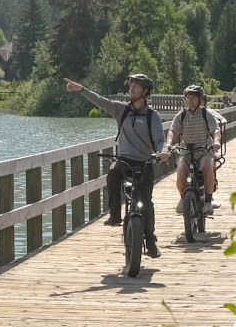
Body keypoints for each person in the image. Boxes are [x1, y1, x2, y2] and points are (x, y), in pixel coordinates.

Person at [64, 73, 165, 258]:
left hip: (144, 162)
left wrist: (162, 152)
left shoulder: (153, 116)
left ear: (145, 92)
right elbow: (101, 101)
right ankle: (115, 215)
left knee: (146, 204)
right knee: (112, 171)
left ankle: (150, 241)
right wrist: (82, 90)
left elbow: (160, 139)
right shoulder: (122, 110)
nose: (131, 89)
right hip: (125, 160)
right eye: (131, 85)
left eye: (135, 86)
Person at [161, 84, 219, 213]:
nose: (190, 100)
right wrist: (169, 144)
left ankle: (208, 201)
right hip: (187, 151)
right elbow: (172, 131)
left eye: (193, 97)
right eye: (188, 97)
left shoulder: (206, 114)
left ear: (199, 99)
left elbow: (215, 129)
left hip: (204, 150)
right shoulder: (181, 115)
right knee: (181, 173)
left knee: (206, 167)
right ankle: (183, 198)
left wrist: (216, 142)